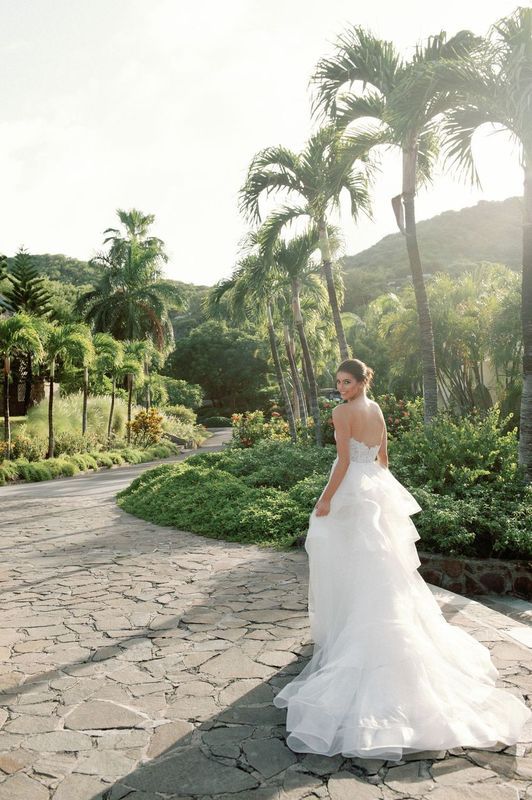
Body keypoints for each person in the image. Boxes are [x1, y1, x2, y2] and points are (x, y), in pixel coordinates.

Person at [273, 358, 531, 761]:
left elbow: (343, 462)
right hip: (375, 488)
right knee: (384, 568)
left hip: (354, 493)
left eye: (346, 382)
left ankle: (355, 633)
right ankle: (368, 624)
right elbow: (383, 459)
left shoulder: (343, 413)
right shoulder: (375, 409)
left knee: (354, 564)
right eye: (338, 383)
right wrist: (383, 495)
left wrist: (326, 499)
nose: (340, 388)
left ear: (361, 382)